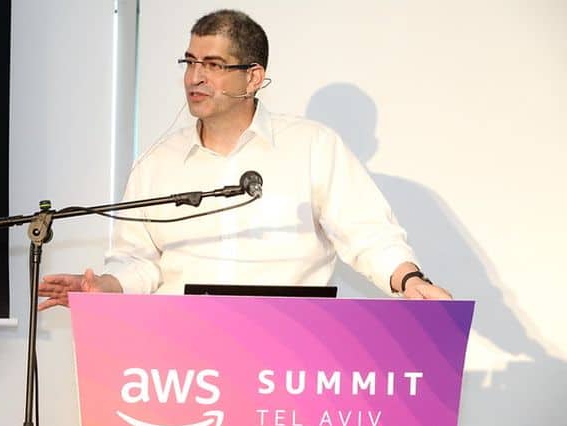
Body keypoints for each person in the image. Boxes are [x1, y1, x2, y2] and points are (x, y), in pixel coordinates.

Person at [38, 9, 451, 310]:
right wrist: (106, 286)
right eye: (190, 62)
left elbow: (368, 235)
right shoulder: (157, 162)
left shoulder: (312, 146)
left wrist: (409, 280)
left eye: (213, 65)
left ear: (253, 77)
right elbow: (138, 261)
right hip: (181, 352)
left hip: (289, 348)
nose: (194, 78)